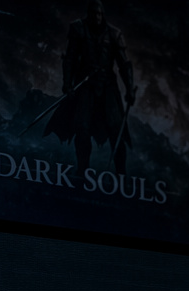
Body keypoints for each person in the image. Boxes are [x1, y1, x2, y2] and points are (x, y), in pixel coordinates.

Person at [46, 0, 135, 175]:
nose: (97, 17)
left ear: (103, 15)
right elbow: (70, 58)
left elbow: (124, 64)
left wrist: (130, 89)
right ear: (89, 14)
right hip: (85, 85)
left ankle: (121, 175)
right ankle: (83, 171)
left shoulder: (114, 34)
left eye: (99, 14)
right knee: (82, 129)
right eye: (94, 13)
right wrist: (67, 84)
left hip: (108, 87)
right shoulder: (79, 29)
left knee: (116, 130)